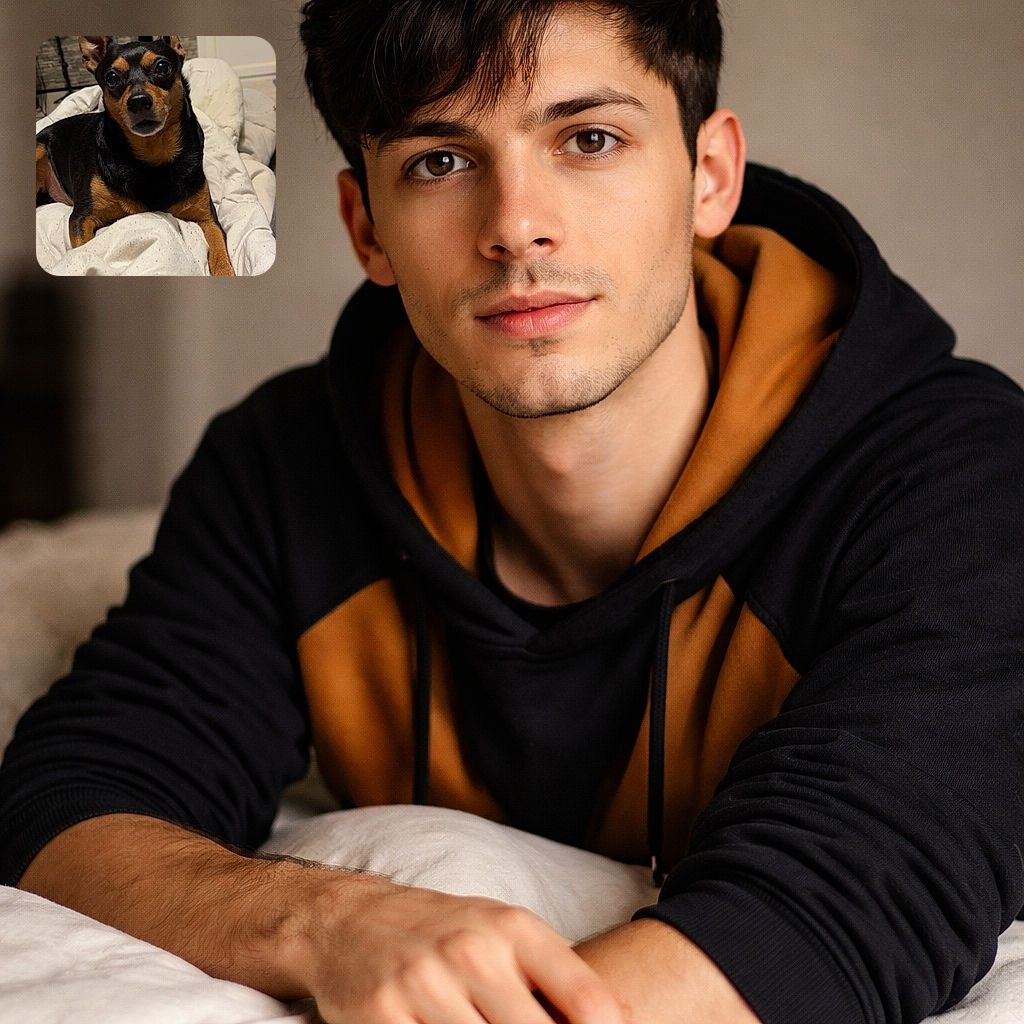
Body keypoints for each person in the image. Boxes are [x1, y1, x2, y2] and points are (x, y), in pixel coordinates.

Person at [2, 1, 1022, 1022]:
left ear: (710, 175)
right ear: (368, 229)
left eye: (589, 139)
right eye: (439, 162)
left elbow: (837, 903)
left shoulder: (957, 479)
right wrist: (327, 923)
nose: (514, 227)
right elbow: (71, 800)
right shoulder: (282, 462)